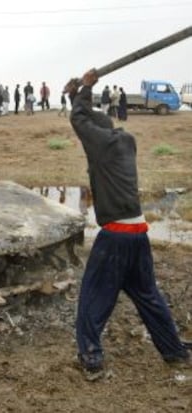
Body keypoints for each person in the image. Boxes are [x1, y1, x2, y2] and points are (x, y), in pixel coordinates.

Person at [64, 69, 190, 377]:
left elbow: (80, 120)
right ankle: (174, 350)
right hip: (138, 232)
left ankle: (91, 359)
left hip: (116, 236)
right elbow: (87, 118)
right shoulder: (124, 140)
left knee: (93, 297)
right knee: (148, 296)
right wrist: (74, 95)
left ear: (97, 139)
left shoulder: (104, 147)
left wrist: (86, 86)